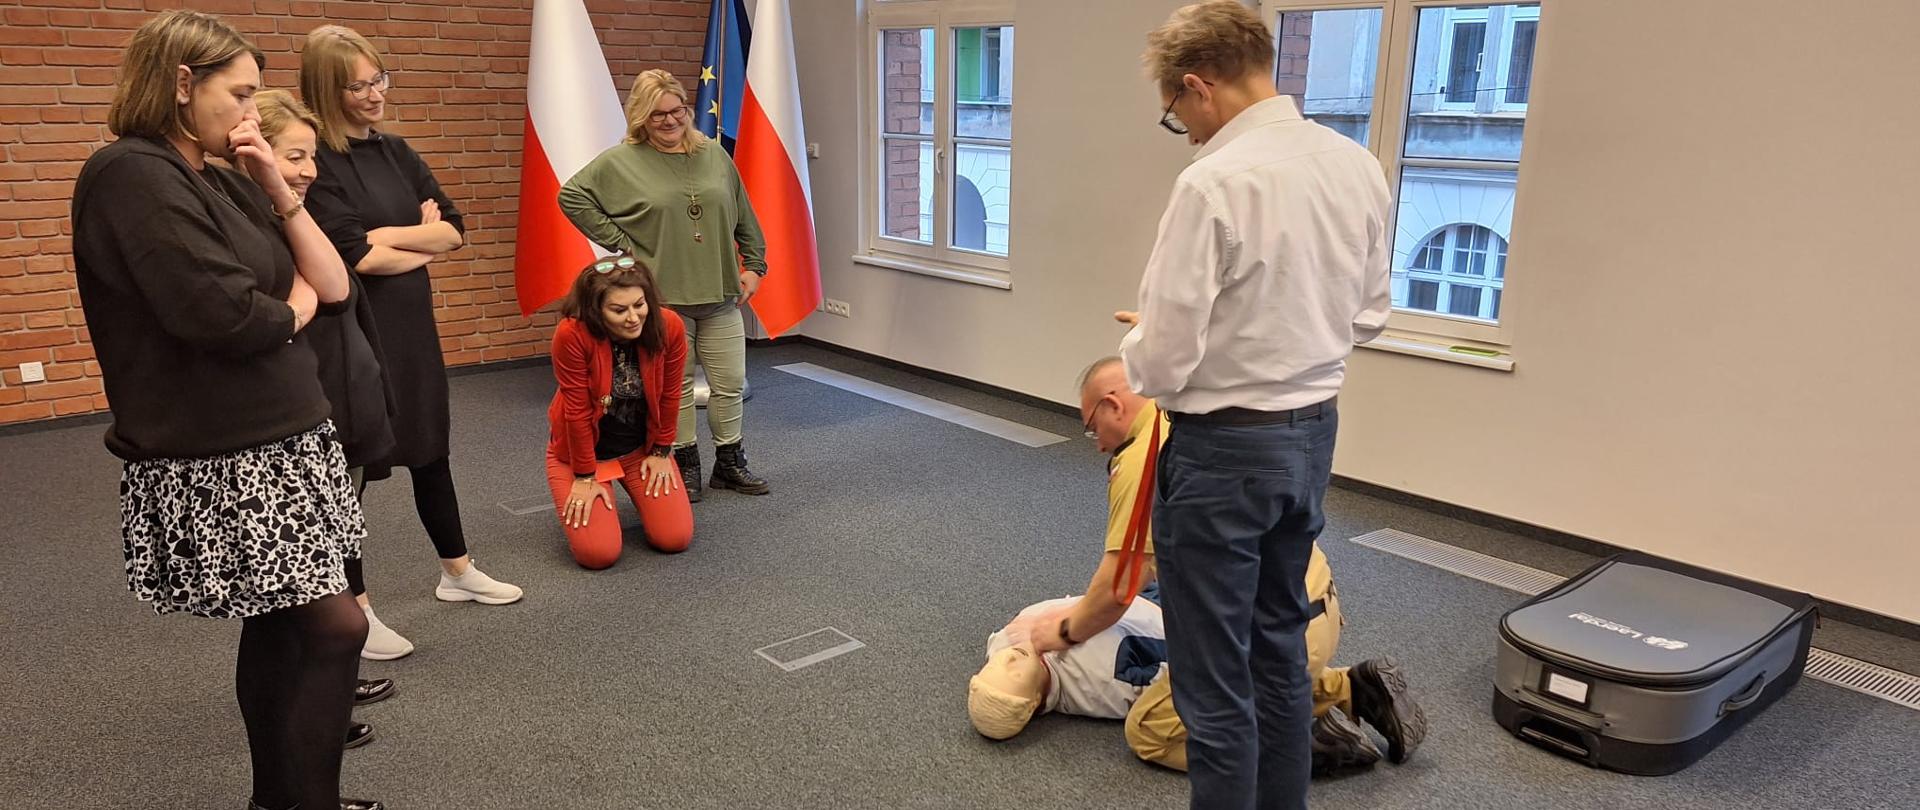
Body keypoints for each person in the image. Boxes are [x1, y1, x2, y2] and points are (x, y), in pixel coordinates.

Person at [70, 11, 381, 809]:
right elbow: (229, 318)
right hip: (226, 451)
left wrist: (276, 187)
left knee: (281, 626)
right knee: (335, 629)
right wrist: (294, 307)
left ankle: (276, 797)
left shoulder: (215, 172)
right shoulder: (130, 174)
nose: (252, 113)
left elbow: (335, 285)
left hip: (284, 435)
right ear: (181, 83)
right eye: (239, 94)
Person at [1118, 3, 1395, 807]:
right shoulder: (1356, 163)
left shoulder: (1212, 182)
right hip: (1312, 437)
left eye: (1178, 114)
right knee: (1278, 646)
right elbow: (1368, 314)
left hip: (1222, 453)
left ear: (1198, 86)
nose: (1186, 130)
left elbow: (1163, 363)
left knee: (1211, 678)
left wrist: (1151, 342)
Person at [300, 24, 523, 610]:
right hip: (353, 332)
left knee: (430, 447)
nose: (375, 95)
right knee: (351, 469)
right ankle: (357, 607)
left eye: (379, 80)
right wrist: (412, 242)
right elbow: (358, 258)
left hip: (410, 325)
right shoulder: (314, 160)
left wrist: (394, 235)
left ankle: (457, 570)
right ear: (326, 91)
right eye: (357, 87)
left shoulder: (395, 150)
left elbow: (453, 228)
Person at [254, 89, 400, 749]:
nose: (309, 169)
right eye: (295, 155)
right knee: (309, 578)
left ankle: (331, 683)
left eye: (311, 156)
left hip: (345, 392)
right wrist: (315, 285)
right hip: (303, 409)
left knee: (339, 549)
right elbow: (317, 293)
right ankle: (317, 707)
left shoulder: (297, 213)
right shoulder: (257, 223)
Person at [559, 68, 771, 503]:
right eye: (658, 116)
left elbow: (743, 213)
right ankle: (684, 461)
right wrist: (622, 246)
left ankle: (729, 463)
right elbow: (571, 195)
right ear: (641, 118)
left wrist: (755, 265)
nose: (671, 121)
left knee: (730, 382)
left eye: (677, 111)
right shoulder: (621, 161)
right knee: (673, 388)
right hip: (664, 301)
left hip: (721, 294)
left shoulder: (713, 154)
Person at [969, 594, 1388, 777]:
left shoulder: (1008, 643)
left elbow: (1006, 640)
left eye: (996, 664)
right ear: (1033, 705)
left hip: (1140, 597)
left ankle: (1334, 694)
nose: (1009, 657)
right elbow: (1177, 676)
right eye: (1013, 672)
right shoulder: (1102, 686)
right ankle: (1339, 694)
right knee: (1156, 729)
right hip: (1169, 617)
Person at [546, 255, 695, 568]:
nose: (633, 318)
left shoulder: (669, 325)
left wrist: (660, 451)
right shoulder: (572, 333)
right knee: (599, 555)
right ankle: (592, 490)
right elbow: (576, 411)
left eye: (639, 305)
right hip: (583, 455)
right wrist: (584, 476)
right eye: (618, 309)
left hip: (639, 449)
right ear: (596, 311)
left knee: (675, 538)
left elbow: (671, 394)